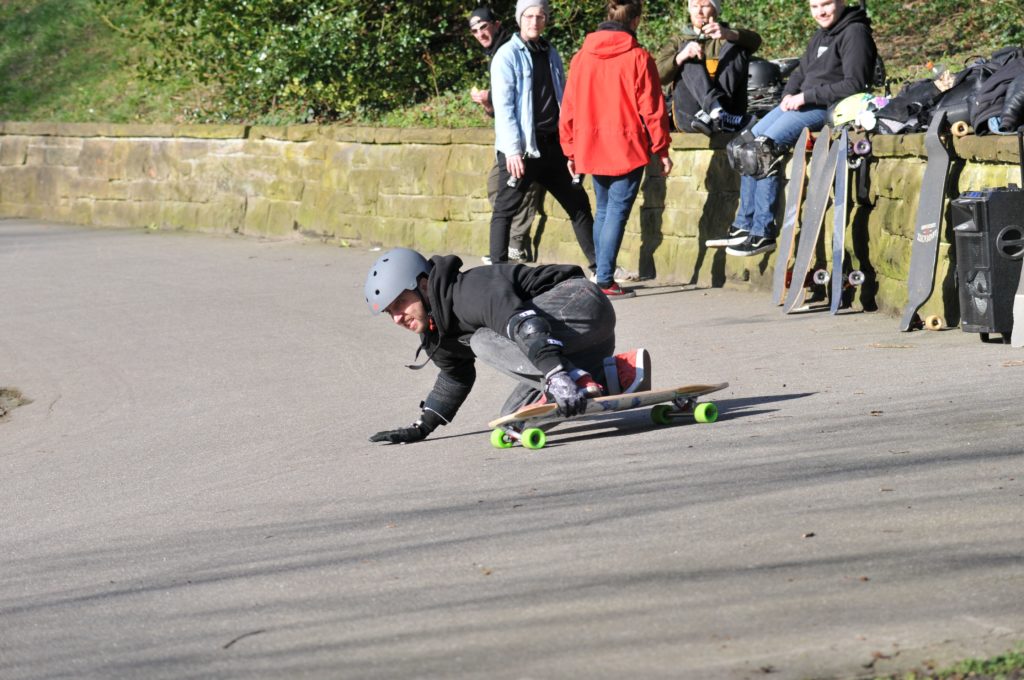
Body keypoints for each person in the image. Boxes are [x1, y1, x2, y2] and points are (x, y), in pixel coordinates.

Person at [364, 248, 650, 444]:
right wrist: (422, 426)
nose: (397, 317)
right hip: (577, 346)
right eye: (390, 312)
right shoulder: (435, 329)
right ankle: (613, 373)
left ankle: (572, 376)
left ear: (424, 285)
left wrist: (557, 374)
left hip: (580, 304)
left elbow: (526, 325)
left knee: (481, 340)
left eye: (401, 303)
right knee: (515, 419)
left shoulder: (468, 291)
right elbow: (455, 376)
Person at [722, 0, 876, 256]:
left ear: (841, 2)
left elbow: (855, 84)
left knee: (762, 149)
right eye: (814, 7)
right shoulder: (821, 34)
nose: (820, 12)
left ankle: (763, 231)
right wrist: (789, 94)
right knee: (743, 145)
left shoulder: (855, 33)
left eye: (826, 4)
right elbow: (800, 73)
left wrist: (805, 97)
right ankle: (744, 224)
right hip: (802, 102)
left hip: (826, 108)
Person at [559, 0, 673, 298]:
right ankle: (605, 280)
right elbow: (653, 108)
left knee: (604, 210)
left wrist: (570, 150)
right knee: (616, 211)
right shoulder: (639, 57)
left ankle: (600, 273)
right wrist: (662, 148)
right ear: (635, 21)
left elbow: (568, 107)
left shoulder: (581, 57)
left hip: (591, 145)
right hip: (627, 146)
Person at [488, 0, 597, 275]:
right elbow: (504, 108)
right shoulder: (506, 56)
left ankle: (602, 268)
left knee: (579, 206)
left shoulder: (551, 53)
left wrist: (570, 146)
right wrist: (513, 150)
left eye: (540, 16)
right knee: (505, 210)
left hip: (553, 147)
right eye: (529, 16)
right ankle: (497, 275)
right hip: (523, 151)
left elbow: (564, 100)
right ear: (519, 19)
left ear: (546, 19)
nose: (534, 22)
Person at [468, 6, 546, 263]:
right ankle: (506, 248)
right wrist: (487, 103)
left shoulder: (509, 50)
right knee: (496, 187)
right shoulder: (495, 52)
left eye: (484, 27)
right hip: (508, 140)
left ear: (497, 24)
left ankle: (516, 246)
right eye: (475, 31)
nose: (480, 34)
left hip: (528, 139)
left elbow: (524, 95)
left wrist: (516, 147)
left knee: (525, 185)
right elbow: (500, 110)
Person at [655, 0, 761, 135]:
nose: (699, 11)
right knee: (687, 50)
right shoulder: (678, 41)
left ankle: (721, 114)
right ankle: (715, 110)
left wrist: (728, 34)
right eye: (694, 6)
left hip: (729, 115)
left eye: (704, 6)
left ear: (715, 10)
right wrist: (680, 57)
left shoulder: (726, 37)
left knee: (737, 48)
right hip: (692, 116)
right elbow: (657, 75)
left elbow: (756, 41)